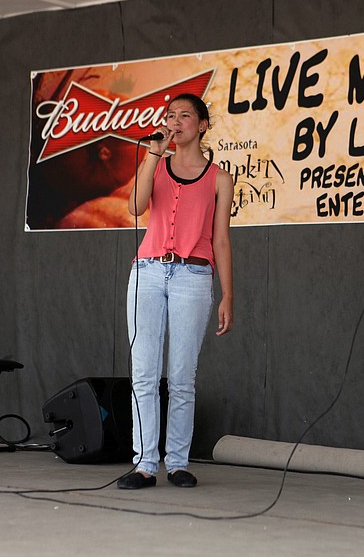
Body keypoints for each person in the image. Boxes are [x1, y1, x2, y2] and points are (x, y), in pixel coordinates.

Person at [118, 93, 234, 490]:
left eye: (186, 115)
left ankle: (178, 462)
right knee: (144, 374)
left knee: (182, 377)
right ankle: (145, 463)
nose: (176, 121)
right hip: (147, 273)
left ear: (202, 125)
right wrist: (154, 153)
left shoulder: (219, 178)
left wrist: (228, 294)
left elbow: (221, 240)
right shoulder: (158, 166)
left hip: (193, 276)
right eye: (171, 115)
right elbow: (134, 207)